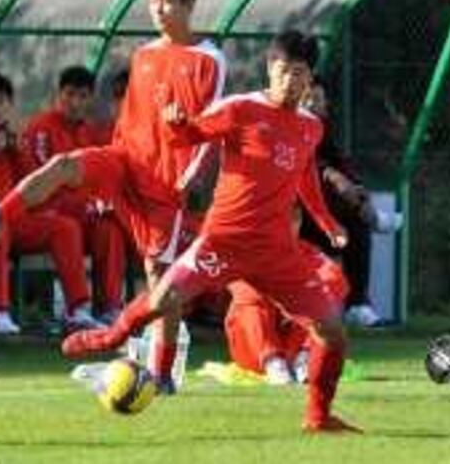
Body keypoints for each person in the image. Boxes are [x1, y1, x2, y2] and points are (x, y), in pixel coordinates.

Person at [62, 31, 361, 434]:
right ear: (269, 70)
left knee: (333, 332)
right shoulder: (241, 108)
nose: (291, 80)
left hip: (277, 251)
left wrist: (326, 222)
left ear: (310, 79)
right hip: (225, 241)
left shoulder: (310, 126)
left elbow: (304, 174)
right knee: (166, 297)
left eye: (300, 73)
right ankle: (109, 336)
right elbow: (192, 135)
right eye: (284, 70)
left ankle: (318, 417)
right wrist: (177, 125)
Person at [0, 0, 226, 365]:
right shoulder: (144, 55)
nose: (157, 9)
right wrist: (110, 184)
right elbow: (130, 120)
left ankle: (163, 366)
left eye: (166, 1)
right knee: (65, 164)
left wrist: (189, 177)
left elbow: (211, 126)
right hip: (124, 161)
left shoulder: (210, 60)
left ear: (189, 4)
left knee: (161, 280)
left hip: (164, 183)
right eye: (152, 1)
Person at [0, 72, 101, 332]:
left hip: (8, 213)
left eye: (1, 102)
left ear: (9, 106)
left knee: (64, 227)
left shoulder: (13, 136)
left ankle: (77, 308)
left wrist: (18, 153)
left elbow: (32, 187)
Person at [22, 65, 128, 323]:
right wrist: (88, 204)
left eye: (82, 96)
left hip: (81, 213)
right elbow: (40, 184)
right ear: (58, 95)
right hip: (43, 212)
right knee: (66, 227)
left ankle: (109, 307)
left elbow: (99, 180)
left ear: (90, 99)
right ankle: (76, 307)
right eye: (69, 94)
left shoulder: (89, 132)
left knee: (109, 227)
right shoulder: (40, 128)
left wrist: (99, 204)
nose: (74, 102)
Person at [300, 75, 402, 327]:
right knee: (349, 205)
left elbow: (340, 162)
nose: (312, 104)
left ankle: (357, 305)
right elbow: (309, 167)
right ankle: (373, 217)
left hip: (322, 218)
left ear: (326, 104)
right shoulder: (289, 127)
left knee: (356, 223)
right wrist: (335, 178)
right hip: (293, 219)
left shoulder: (323, 131)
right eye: (307, 99)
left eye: (317, 99)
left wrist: (357, 188)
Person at [225, 206, 350, 385]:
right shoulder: (248, 253)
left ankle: (305, 359)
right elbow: (242, 289)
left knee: (318, 302)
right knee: (248, 306)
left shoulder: (308, 252)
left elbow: (334, 279)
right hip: (256, 348)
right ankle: (273, 363)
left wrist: (299, 296)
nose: (288, 225)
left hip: (299, 341)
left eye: (294, 219)